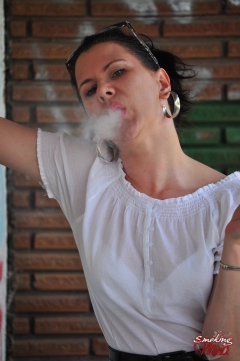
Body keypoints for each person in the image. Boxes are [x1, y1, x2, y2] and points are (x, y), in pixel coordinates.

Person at [1, 21, 240, 361]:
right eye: (89, 89)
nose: (103, 91)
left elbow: (222, 353)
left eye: (118, 72)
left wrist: (234, 246)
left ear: (161, 82)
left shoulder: (230, 200)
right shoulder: (84, 173)